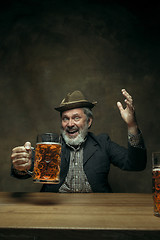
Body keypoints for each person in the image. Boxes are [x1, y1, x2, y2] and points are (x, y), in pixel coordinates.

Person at [11, 89, 147, 192]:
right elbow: (24, 168)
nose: (70, 124)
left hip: (96, 213)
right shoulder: (51, 146)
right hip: (54, 211)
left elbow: (136, 164)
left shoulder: (103, 143)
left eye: (76, 118)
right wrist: (21, 166)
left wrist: (132, 126)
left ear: (88, 121)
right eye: (65, 118)